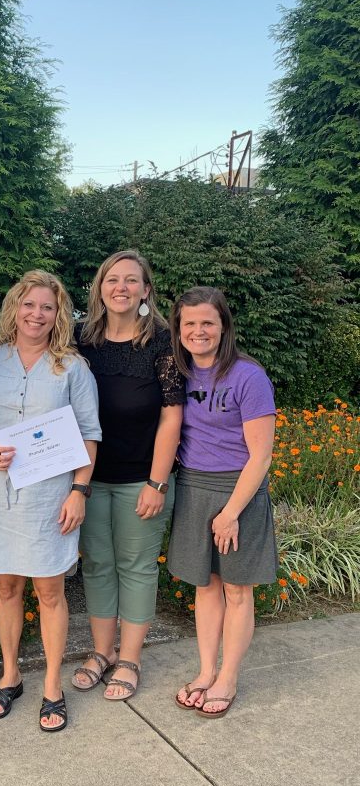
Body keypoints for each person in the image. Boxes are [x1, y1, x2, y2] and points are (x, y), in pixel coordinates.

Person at [0, 270, 100, 732]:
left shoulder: (73, 368)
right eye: (29, 305)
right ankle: (10, 675)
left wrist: (79, 491)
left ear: (58, 315)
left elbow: (89, 434)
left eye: (47, 307)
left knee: (50, 592)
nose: (36, 314)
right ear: (15, 309)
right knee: (6, 588)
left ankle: (53, 686)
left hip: (50, 500)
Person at [74, 250, 185, 701]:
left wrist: (158, 482)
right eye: (112, 279)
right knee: (97, 565)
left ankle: (130, 659)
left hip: (143, 480)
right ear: (100, 288)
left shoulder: (163, 342)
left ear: (145, 289)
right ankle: (102, 652)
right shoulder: (81, 340)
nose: (121, 287)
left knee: (136, 568)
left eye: (131, 280)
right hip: (89, 479)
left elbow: (172, 416)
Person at [169, 287, 277, 717]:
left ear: (223, 326)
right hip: (193, 487)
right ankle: (205, 671)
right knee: (205, 584)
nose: (199, 331)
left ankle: (228, 677)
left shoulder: (248, 376)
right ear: (179, 329)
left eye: (207, 323)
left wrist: (231, 513)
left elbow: (261, 455)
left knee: (236, 587)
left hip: (238, 490)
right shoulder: (179, 373)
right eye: (190, 323)